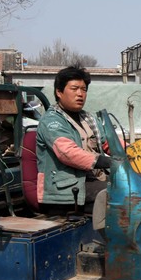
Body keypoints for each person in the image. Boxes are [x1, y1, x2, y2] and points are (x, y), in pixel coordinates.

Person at [36, 65, 111, 215]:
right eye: (74, 88)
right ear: (59, 92)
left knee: (137, 184)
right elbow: (68, 152)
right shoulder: (51, 122)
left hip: (91, 181)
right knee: (123, 193)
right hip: (66, 191)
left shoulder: (88, 119)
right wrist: (106, 161)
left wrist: (132, 151)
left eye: (84, 89)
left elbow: (106, 142)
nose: (80, 94)